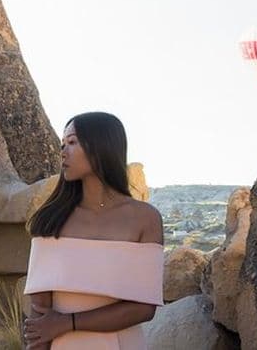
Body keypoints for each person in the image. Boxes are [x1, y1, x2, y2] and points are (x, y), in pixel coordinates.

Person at [23, 112, 164, 349]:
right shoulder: (51, 220)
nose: (63, 151)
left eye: (72, 142)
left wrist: (68, 323)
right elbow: (40, 317)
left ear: (101, 146)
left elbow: (144, 308)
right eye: (62, 144)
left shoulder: (145, 219)